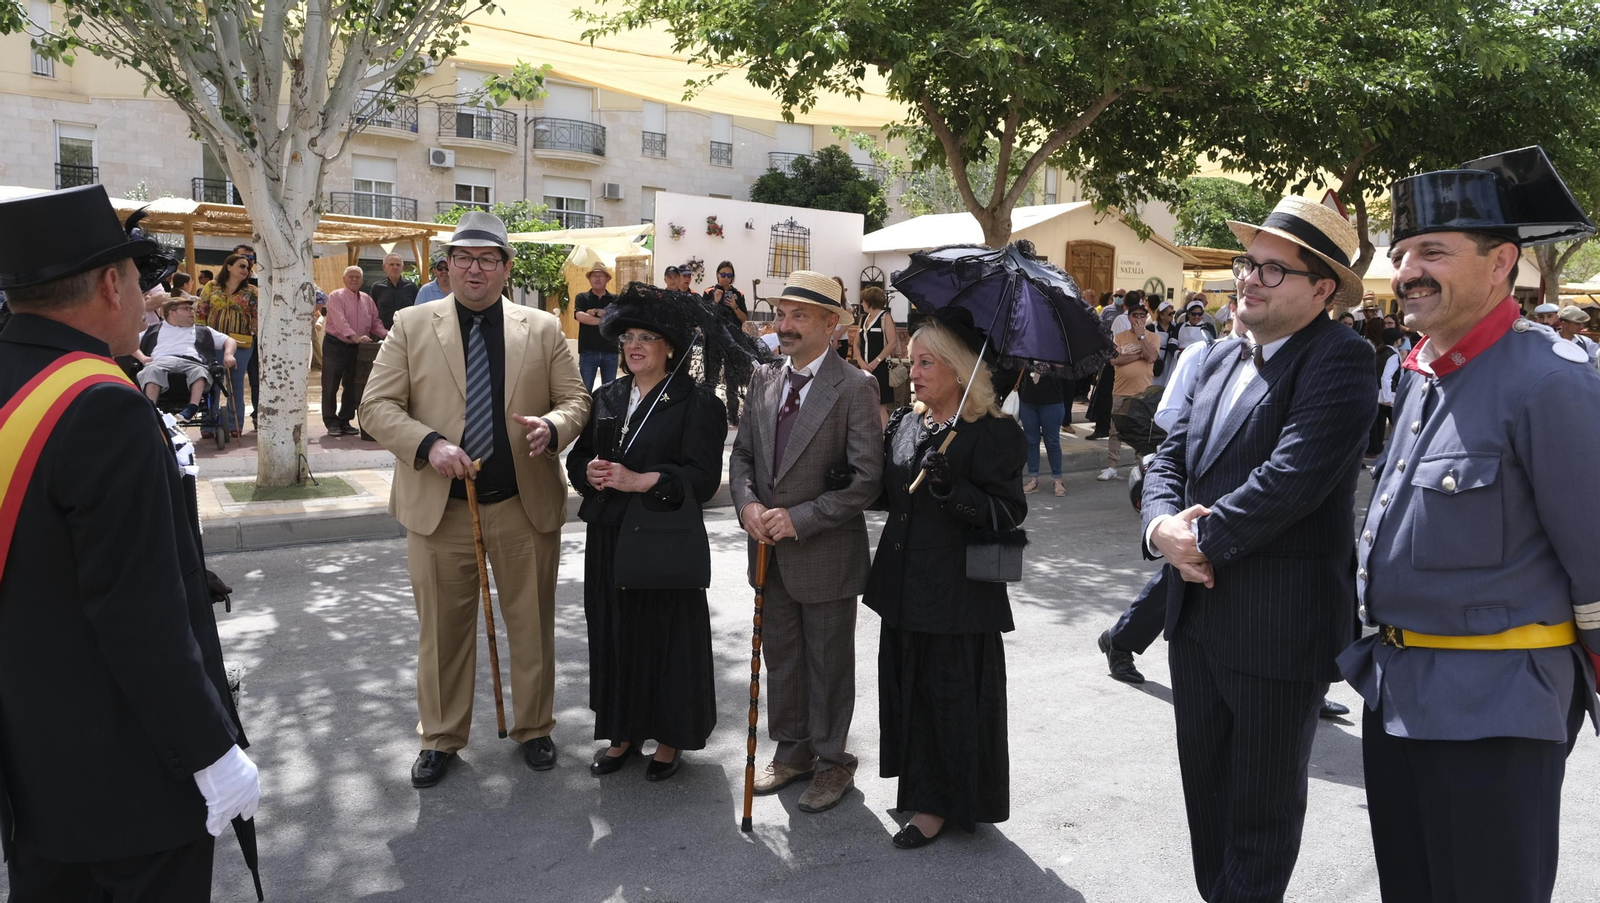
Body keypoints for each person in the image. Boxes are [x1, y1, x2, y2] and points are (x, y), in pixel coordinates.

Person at [1339, 146, 1600, 903]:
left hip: (1496, 713)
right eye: (1403, 252)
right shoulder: (1426, 373)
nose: (1409, 268)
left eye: (1434, 251)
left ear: (1503, 263)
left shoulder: (1551, 380)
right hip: (1397, 700)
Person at [0, 185, 258, 901]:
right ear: (110, 285)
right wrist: (212, 752)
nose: (151, 302)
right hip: (131, 785)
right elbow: (137, 613)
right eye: (142, 285)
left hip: (32, 772)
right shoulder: (102, 404)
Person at [1142, 194, 1376, 903]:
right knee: (1207, 799)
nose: (1249, 279)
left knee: (1262, 814)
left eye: (1274, 270)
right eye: (1250, 263)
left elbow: (1292, 478)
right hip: (1197, 620)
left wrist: (1199, 538)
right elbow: (1167, 457)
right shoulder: (1215, 357)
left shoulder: (1342, 357)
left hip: (1278, 628)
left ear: (1322, 288)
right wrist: (1162, 531)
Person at [360, 211, 591, 787]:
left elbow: (577, 400)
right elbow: (375, 408)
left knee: (531, 623)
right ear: (447, 266)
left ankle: (534, 727)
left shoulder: (540, 329)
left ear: (507, 268)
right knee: (441, 630)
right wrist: (428, 444)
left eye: (488, 259)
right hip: (440, 509)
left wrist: (554, 427)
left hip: (521, 502)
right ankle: (440, 736)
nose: (474, 269)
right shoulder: (410, 325)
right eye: (463, 258)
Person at [864, 307, 1026, 849]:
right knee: (910, 688)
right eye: (911, 361)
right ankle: (919, 785)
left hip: (958, 594)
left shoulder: (995, 433)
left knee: (946, 696)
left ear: (959, 369)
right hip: (905, 585)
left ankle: (937, 804)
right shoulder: (909, 423)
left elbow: (1008, 513)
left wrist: (953, 488)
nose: (914, 371)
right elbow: (891, 495)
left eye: (926, 361)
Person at [567, 285, 737, 781]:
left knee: (664, 637)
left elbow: (704, 479)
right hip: (609, 535)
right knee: (614, 633)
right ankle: (621, 733)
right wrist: (590, 474)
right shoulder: (607, 396)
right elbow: (579, 459)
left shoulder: (696, 402)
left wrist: (645, 481)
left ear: (669, 347)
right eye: (628, 338)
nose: (634, 346)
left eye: (647, 337)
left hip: (662, 537)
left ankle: (668, 737)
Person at [729, 270, 883, 814]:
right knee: (784, 659)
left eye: (798, 316)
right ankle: (792, 752)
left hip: (824, 553)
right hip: (767, 553)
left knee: (828, 663)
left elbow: (866, 479)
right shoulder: (764, 378)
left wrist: (798, 519)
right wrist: (746, 504)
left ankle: (834, 760)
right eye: (781, 314)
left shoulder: (857, 388)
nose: (783, 325)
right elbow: (743, 455)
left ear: (831, 324)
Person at [133, 296, 238, 419]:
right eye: (186, 309)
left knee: (200, 372)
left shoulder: (202, 330)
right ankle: (150, 410)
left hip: (192, 362)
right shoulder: (154, 329)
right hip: (161, 361)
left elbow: (229, 340)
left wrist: (228, 354)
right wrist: (142, 358)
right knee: (152, 370)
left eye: (192, 309)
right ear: (172, 313)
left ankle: (192, 408)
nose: (192, 312)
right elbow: (131, 343)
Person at [196, 252, 257, 437]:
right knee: (212, 382)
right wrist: (200, 338)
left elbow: (257, 315)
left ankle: (234, 424)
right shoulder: (211, 286)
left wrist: (255, 329)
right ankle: (208, 425)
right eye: (241, 266)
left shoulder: (252, 291)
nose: (245, 270)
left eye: (247, 267)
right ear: (228, 267)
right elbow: (200, 312)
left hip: (241, 343)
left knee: (236, 384)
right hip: (212, 342)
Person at [323, 265, 388, 437]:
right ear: (344, 279)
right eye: (350, 276)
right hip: (335, 345)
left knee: (352, 385)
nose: (354, 279)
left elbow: (375, 323)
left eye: (357, 277)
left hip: (357, 349)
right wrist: (355, 337)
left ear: (362, 281)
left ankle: (345, 420)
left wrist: (389, 336)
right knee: (330, 385)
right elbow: (340, 322)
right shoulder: (336, 296)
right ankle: (331, 422)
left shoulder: (367, 299)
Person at [1100, 299, 1160, 481]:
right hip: (1120, 389)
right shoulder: (1120, 336)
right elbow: (1115, 360)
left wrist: (1142, 337)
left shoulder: (1153, 337)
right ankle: (1112, 466)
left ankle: (1140, 466)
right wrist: (1138, 355)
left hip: (1143, 392)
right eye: (1136, 315)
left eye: (1143, 315)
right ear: (1129, 317)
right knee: (1115, 430)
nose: (1139, 318)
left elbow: (1151, 358)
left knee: (1141, 431)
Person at [704, 260, 749, 425]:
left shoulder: (738, 294)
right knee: (711, 379)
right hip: (714, 340)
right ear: (717, 274)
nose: (726, 278)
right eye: (723, 274)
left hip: (732, 342)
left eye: (729, 275)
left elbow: (744, 319)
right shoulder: (709, 292)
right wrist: (715, 302)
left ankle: (733, 416)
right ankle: (708, 413)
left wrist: (735, 307)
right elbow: (705, 317)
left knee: (733, 380)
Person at [1018, 365, 1066, 496]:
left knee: (1052, 442)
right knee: (1031, 442)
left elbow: (1066, 372)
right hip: (1028, 401)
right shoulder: (1027, 349)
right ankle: (1033, 480)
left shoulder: (1057, 351)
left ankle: (1058, 480)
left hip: (1052, 402)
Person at [857, 285, 898, 426]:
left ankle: (884, 438)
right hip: (864, 368)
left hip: (880, 368)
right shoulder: (863, 319)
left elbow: (892, 342)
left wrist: (876, 361)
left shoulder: (885, 317)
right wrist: (860, 361)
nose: (861, 303)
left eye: (863, 300)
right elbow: (856, 344)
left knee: (881, 406)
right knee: (865, 404)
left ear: (870, 301)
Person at [573, 262, 618, 391]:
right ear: (589, 279)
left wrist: (594, 311)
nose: (597, 278)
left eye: (601, 276)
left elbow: (616, 318)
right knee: (585, 390)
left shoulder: (615, 299)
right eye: (594, 276)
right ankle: (586, 412)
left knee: (610, 392)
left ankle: (606, 412)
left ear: (607, 279)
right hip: (588, 350)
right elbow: (580, 317)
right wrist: (605, 318)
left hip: (610, 350)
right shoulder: (582, 297)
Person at [1368, 327, 1406, 456]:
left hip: (1379, 394)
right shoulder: (1392, 355)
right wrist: (1387, 398)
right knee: (1398, 422)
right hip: (1388, 395)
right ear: (1397, 341)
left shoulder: (1381, 352)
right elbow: (1386, 377)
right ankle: (1398, 449)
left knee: (1380, 423)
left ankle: (1376, 448)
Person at [370, 252, 420, 331]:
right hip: (383, 334)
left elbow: (417, 312)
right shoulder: (377, 288)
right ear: (384, 267)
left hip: (407, 332)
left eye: (398, 265)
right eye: (391, 264)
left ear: (402, 267)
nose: (395, 267)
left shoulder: (412, 287)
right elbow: (373, 314)